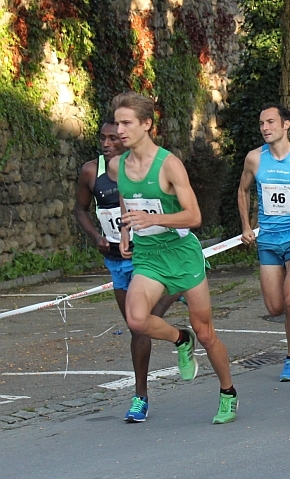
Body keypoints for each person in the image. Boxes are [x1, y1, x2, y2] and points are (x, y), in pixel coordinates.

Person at [106, 92, 237, 423]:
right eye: (116, 123)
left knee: (206, 332)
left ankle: (227, 392)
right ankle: (180, 339)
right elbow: (126, 199)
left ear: (146, 124)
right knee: (136, 319)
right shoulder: (116, 165)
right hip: (149, 255)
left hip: (181, 253)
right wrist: (125, 232)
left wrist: (153, 220)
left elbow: (194, 217)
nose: (119, 130)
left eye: (126, 123)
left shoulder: (169, 164)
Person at [74, 119, 179, 422]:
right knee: (139, 323)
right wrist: (97, 238)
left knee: (139, 325)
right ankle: (176, 294)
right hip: (116, 260)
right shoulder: (91, 171)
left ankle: (140, 396)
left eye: (113, 139)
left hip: (147, 254)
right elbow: (80, 209)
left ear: (126, 141)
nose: (106, 144)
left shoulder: (144, 170)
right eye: (103, 138)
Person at [237, 104, 290, 382]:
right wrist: (246, 226)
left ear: (287, 124)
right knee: (274, 307)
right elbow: (242, 190)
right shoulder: (254, 159)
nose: (265, 128)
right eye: (261, 123)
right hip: (269, 239)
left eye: (271, 122)